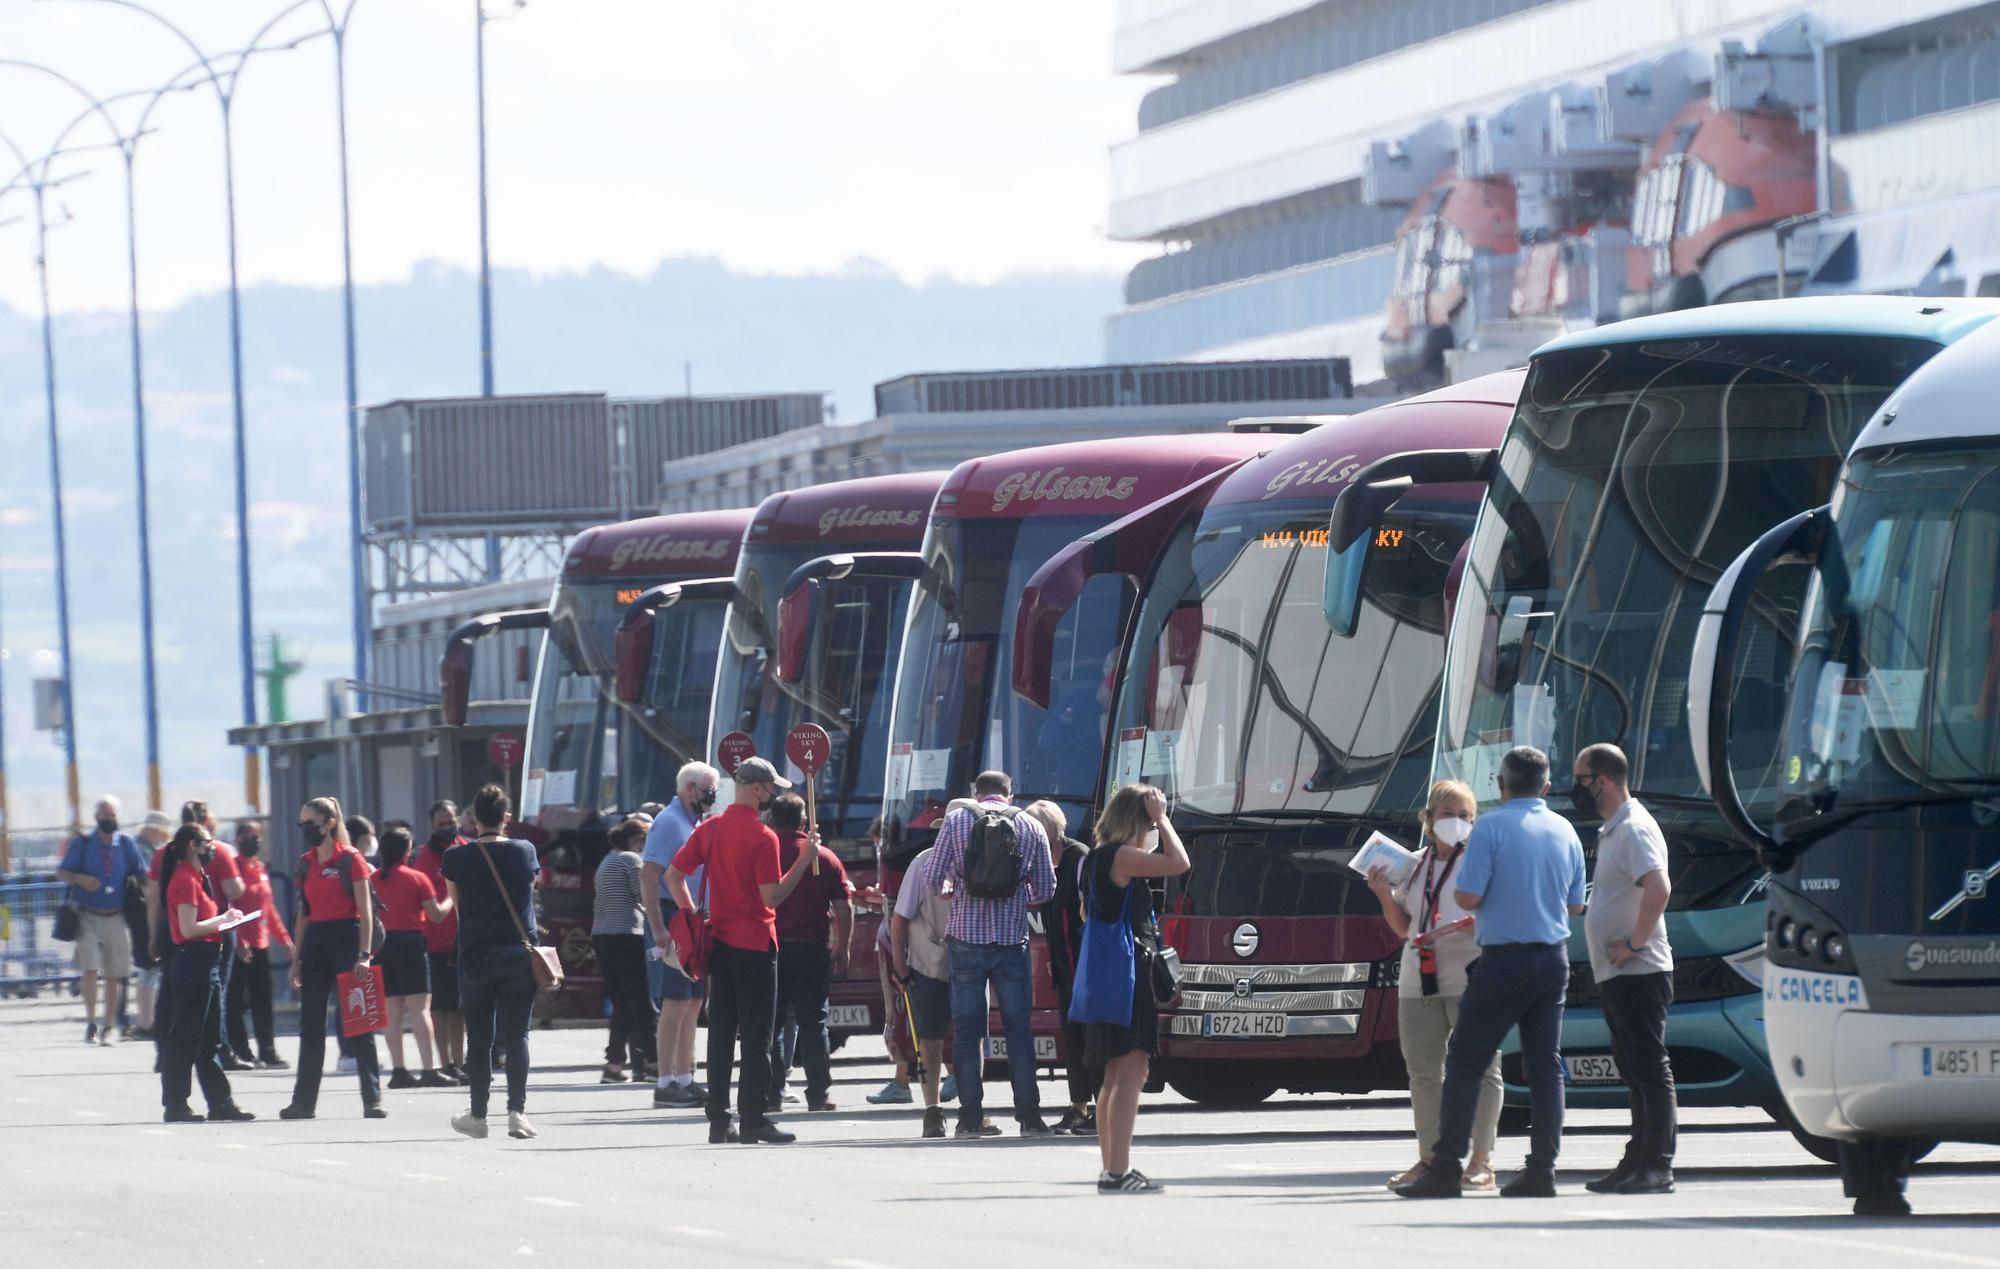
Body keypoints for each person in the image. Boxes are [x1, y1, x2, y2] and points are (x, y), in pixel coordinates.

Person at [1395, 746, 1586, 1200]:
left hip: (1503, 959)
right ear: (1545, 786)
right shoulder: (1566, 830)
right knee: (1545, 1067)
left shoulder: (1492, 828)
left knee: (1465, 1061)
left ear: (1500, 786)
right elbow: (1576, 905)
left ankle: (1446, 1169)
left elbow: (1468, 898)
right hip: (1553, 957)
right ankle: (1542, 1170)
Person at [665, 757, 818, 1145]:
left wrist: (691, 916)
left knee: (720, 1033)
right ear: (756, 789)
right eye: (771, 788)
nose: (774, 795)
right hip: (754, 943)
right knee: (756, 1035)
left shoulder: (712, 827)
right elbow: (772, 896)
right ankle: (753, 1118)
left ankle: (719, 1120)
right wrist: (803, 861)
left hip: (719, 941)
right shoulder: (762, 836)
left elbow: (673, 875)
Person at [1367, 780, 1502, 1191]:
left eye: (1465, 816)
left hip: (1471, 977)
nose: (1456, 824)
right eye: (1448, 815)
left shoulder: (1480, 861)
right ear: (1429, 820)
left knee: (1482, 1068)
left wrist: (1467, 927)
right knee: (1423, 1072)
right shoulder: (1413, 865)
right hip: (1419, 979)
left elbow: (1495, 914)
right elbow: (1405, 930)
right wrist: (1384, 895)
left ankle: (1481, 1160)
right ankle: (1431, 1157)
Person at [924, 770, 1057, 1138]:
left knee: (967, 1032)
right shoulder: (1030, 825)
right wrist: (1015, 895)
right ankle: (1030, 1118)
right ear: (1010, 795)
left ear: (976, 792)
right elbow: (1046, 888)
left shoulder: (956, 820)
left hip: (965, 940)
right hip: (1012, 942)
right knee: (1018, 1030)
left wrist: (957, 887)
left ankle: (969, 1120)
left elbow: (933, 878)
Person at [1573, 742, 1677, 1195]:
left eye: (1581, 779)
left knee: (1650, 1068)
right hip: (1618, 974)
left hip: (1640, 971)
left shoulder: (1634, 828)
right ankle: (1638, 1159)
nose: (1575, 789)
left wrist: (1635, 942)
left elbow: (1659, 888)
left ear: (1604, 780)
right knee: (1634, 1069)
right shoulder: (1614, 829)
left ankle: (1657, 1165)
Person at [1076, 785, 1184, 1194]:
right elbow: (1179, 863)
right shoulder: (1121, 856)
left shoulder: (1095, 858)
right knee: (1132, 1073)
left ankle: (1112, 1169)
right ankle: (1118, 1172)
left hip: (1106, 975)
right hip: (1128, 975)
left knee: (1114, 1073)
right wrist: (1163, 818)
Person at [443, 784, 543, 1140]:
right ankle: (517, 1113)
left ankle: (479, 1115)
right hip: (519, 953)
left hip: (475, 955)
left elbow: (458, 908)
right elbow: (531, 892)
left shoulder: (456, 858)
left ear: (473, 819)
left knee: (480, 1039)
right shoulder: (525, 851)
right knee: (517, 1036)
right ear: (506, 818)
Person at [280, 797, 386, 1121]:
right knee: (310, 1025)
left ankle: (372, 1099)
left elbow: (366, 912)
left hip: (347, 938)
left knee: (359, 1022)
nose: (306, 831)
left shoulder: (349, 859)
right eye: (302, 825)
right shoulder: (305, 863)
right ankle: (303, 1102)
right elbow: (303, 914)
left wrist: (364, 955)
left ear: (329, 823)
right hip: (315, 942)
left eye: (310, 824)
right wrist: (296, 959)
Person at [157, 823, 254, 1124]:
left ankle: (220, 1103)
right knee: (185, 1037)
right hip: (193, 963)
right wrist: (222, 919)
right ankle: (176, 1103)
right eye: (207, 843)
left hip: (208, 962)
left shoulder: (199, 877)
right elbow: (187, 930)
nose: (212, 847)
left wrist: (224, 922)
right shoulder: (185, 879)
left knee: (211, 1038)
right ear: (192, 845)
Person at [766, 793, 853, 1114]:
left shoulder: (766, 850)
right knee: (814, 1024)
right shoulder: (824, 857)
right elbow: (844, 908)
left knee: (771, 1025)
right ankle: (818, 1094)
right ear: (805, 822)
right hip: (812, 949)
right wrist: (842, 945)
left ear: (772, 820)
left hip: (771, 948)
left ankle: (771, 1094)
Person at [642, 761, 720, 1108]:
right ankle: (665, 1081)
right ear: (690, 789)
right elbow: (649, 875)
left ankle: (685, 1077)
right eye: (708, 789)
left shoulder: (692, 823)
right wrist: (658, 927)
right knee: (675, 1002)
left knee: (693, 1002)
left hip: (693, 918)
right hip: (674, 918)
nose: (712, 796)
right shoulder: (669, 823)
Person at [1025, 799, 1096, 1136]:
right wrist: (1053, 957)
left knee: (1091, 1034)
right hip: (1064, 963)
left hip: (1085, 961)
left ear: (1048, 829)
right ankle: (1078, 1106)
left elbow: (1089, 912)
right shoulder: (1043, 861)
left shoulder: (1078, 856)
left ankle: (1098, 1107)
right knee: (1071, 1036)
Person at [54, 796, 150, 1046]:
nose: (109, 819)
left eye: (113, 815)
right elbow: (61, 872)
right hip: (88, 915)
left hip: (116, 916)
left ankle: (109, 1025)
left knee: (115, 973)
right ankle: (91, 1023)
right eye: (105, 815)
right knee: (89, 968)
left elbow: (143, 876)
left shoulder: (126, 844)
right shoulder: (83, 844)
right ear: (97, 818)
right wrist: (79, 879)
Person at [373, 826, 458, 1089]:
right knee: (420, 1010)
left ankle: (399, 1070)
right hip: (411, 944)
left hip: (382, 945)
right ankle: (429, 1069)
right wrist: (451, 896)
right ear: (405, 851)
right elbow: (436, 915)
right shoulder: (416, 878)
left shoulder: (373, 879)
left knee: (392, 1011)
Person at [888, 835, 960, 1138]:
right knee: (933, 1041)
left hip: (958, 963)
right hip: (931, 964)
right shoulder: (922, 863)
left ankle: (969, 1111)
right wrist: (900, 964)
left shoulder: (977, 860)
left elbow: (899, 918)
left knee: (965, 1040)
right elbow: (900, 918)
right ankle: (934, 1111)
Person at [593, 817, 657, 1084]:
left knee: (622, 1002)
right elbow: (642, 896)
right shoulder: (632, 860)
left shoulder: (608, 859)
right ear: (637, 840)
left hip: (603, 935)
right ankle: (655, 1064)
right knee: (642, 1001)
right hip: (627, 934)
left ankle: (615, 1064)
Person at [226, 823, 295, 1069]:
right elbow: (229, 906)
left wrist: (285, 939)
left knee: (262, 999)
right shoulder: (232, 868)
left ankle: (267, 1050)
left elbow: (269, 908)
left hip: (260, 942)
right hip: (239, 944)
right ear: (237, 840)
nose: (253, 841)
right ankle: (240, 1049)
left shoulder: (261, 869)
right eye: (247, 836)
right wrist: (239, 940)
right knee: (234, 999)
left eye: (256, 836)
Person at [866, 816, 919, 1107]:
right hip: (908, 941)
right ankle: (902, 1078)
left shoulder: (894, 860)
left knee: (904, 1013)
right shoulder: (916, 859)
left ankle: (905, 1081)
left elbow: (893, 903)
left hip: (898, 944)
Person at [415, 801, 468, 1082]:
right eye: (441, 825)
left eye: (451, 822)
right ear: (432, 826)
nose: (447, 828)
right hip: (435, 941)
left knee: (459, 1006)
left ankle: (459, 1061)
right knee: (440, 1006)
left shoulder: (466, 848)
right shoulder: (425, 857)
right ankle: (445, 1061)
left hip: (465, 938)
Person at [125, 810, 176, 1041]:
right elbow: (149, 883)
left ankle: (145, 1020)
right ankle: (146, 1022)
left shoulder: (136, 847)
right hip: (144, 915)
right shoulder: (143, 851)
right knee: (149, 968)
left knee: (147, 969)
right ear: (155, 831)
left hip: (136, 913)